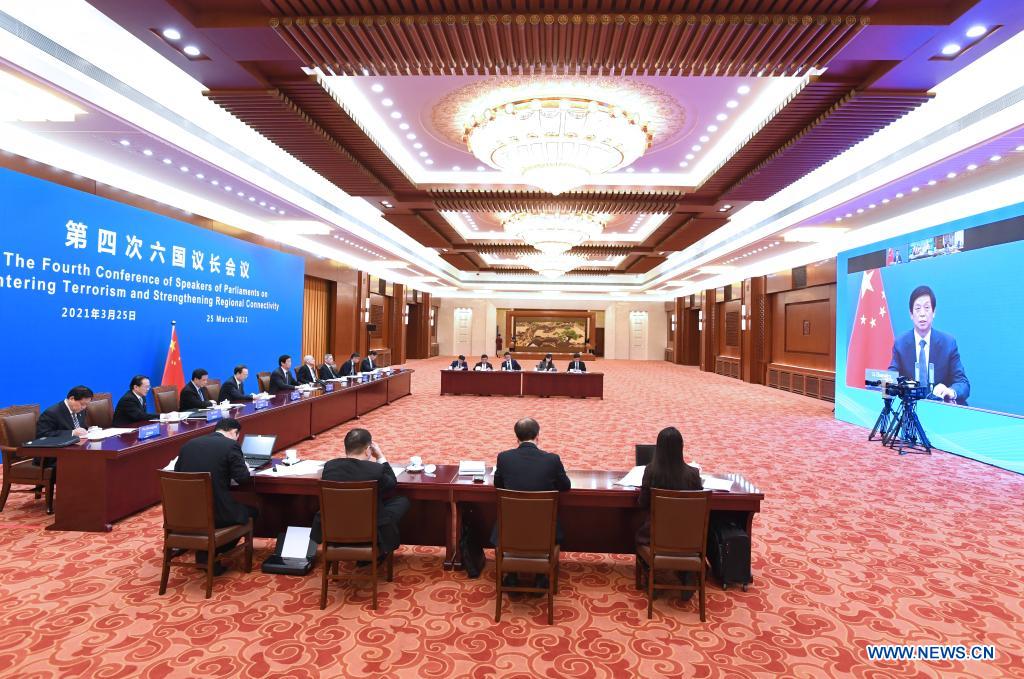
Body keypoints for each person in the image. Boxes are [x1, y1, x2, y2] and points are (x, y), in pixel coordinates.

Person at [493, 417, 571, 589]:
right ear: (537, 436)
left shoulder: (504, 458)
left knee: (510, 521)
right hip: (544, 532)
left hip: (510, 531)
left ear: (517, 438)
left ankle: (511, 576)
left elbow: (498, 484)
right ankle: (541, 578)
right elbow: (565, 486)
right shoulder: (552, 460)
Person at [173, 418, 258, 573]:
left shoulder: (189, 444)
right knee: (252, 512)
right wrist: (243, 466)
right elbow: (242, 478)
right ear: (234, 432)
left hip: (185, 514)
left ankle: (203, 550)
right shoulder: (230, 445)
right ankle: (211, 552)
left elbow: (177, 474)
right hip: (216, 514)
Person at [311, 428, 410, 561]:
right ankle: (380, 545)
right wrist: (380, 457)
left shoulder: (330, 467)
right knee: (401, 501)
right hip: (370, 530)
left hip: (336, 528)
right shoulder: (375, 469)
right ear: (368, 449)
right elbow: (392, 484)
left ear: (346, 448)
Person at [636, 426, 703, 599]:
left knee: (636, 533)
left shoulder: (650, 471)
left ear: (657, 448)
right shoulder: (693, 474)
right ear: (681, 448)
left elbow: (642, 503)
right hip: (689, 538)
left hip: (655, 536)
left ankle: (651, 575)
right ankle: (687, 573)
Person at [888, 285, 970, 405]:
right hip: (910, 408)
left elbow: (963, 383)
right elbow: (891, 377)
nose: (922, 314)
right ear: (911, 314)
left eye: (927, 308)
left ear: (934, 312)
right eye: (917, 308)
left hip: (939, 409)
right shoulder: (900, 344)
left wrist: (950, 391)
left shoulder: (948, 343)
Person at [35, 385, 93, 480]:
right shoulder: (52, 413)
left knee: (96, 459)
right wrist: (71, 433)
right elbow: (43, 435)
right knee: (85, 462)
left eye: (87, 405)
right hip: (52, 455)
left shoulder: (80, 410)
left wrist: (90, 430)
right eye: (82, 404)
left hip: (73, 450)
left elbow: (82, 427)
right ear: (72, 398)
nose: (84, 407)